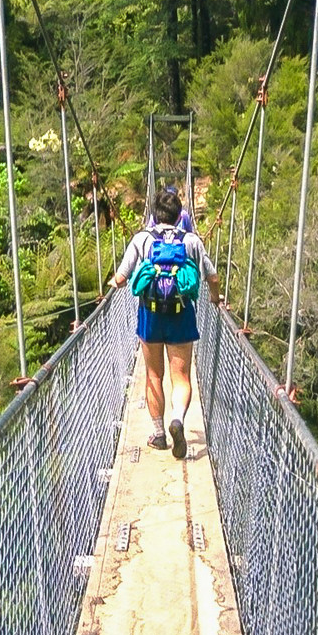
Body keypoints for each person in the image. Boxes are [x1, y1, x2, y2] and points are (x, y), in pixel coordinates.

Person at [110, 188, 220, 458]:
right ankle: (178, 420)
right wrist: (215, 299)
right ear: (180, 215)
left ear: (153, 214)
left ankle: (159, 435)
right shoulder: (192, 241)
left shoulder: (142, 239)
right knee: (181, 377)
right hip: (181, 314)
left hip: (151, 315)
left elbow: (122, 278)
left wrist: (109, 287)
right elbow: (213, 278)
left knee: (153, 376)